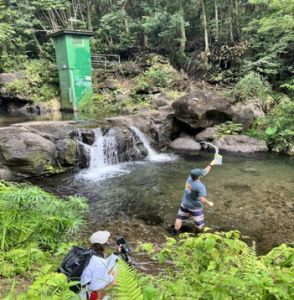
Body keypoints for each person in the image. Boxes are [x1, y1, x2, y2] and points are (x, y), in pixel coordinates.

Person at [174, 159, 216, 235]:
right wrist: (208, 202)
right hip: (195, 207)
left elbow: (205, 171)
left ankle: (176, 233)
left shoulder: (189, 177)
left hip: (185, 204)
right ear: (199, 176)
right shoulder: (200, 187)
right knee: (200, 224)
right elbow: (202, 199)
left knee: (179, 218)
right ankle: (198, 236)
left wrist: (211, 164)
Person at [80, 231, 121, 300]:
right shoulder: (98, 261)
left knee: (113, 272)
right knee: (115, 278)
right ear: (102, 245)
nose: (108, 244)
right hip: (86, 294)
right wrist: (111, 278)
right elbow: (96, 285)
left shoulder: (88, 254)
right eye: (107, 242)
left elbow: (105, 265)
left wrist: (116, 254)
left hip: (81, 286)